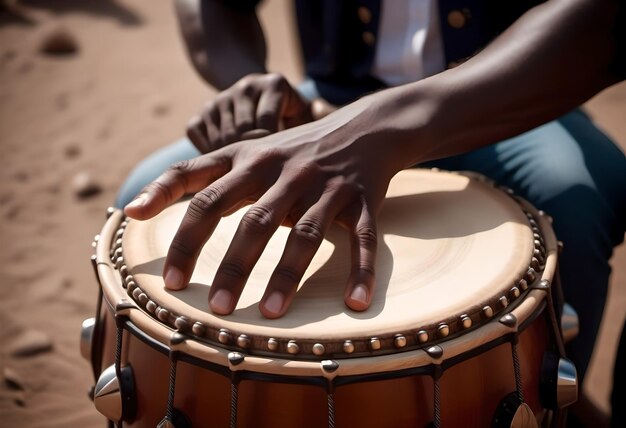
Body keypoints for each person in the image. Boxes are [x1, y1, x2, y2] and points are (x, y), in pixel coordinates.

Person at [119, 0, 626, 424]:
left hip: (500, 100)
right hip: (329, 109)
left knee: (573, 195)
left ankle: (547, 399)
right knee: (142, 197)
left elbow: (598, 17)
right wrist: (249, 83)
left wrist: (377, 129)